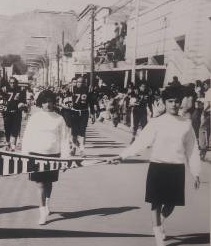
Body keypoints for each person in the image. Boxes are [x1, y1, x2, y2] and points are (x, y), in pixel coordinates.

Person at [112, 85, 201, 246]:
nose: (174, 104)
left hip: (176, 168)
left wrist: (195, 172)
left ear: (180, 103)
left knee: (172, 203)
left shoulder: (186, 124)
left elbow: (192, 149)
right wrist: (122, 155)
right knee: (156, 202)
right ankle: (157, 230)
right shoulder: (156, 123)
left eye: (176, 101)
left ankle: (160, 220)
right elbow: (141, 143)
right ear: (164, 103)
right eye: (170, 101)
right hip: (158, 166)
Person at [22, 89, 70, 225]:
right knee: (40, 184)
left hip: (54, 155)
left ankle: (47, 204)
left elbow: (65, 139)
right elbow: (27, 136)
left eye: (50, 102)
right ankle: (42, 212)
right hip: (36, 154)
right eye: (44, 102)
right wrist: (25, 155)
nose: (47, 104)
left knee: (48, 183)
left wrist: (65, 159)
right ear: (40, 103)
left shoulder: (59, 119)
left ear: (54, 103)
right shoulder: (35, 117)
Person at [0, 77, 26, 151]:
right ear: (9, 83)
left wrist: (22, 104)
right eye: (11, 82)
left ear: (16, 83)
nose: (12, 84)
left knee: (15, 128)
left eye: (14, 82)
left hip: (17, 112)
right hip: (7, 112)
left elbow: (23, 100)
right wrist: (0, 105)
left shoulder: (21, 90)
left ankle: (13, 145)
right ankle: (8, 142)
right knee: (7, 128)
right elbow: (0, 99)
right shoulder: (4, 89)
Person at [70, 76, 94, 155]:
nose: (80, 83)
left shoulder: (88, 91)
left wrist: (93, 114)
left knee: (82, 132)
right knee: (74, 132)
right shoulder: (72, 89)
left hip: (84, 112)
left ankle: (82, 149)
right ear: (76, 83)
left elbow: (91, 103)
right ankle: (73, 147)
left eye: (82, 82)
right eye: (78, 82)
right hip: (74, 112)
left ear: (85, 83)